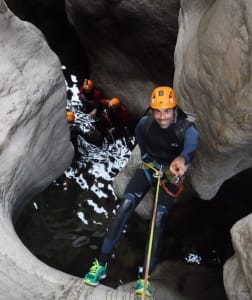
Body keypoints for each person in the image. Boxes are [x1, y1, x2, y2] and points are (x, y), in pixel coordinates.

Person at [82, 86, 200, 297]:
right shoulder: (144, 125)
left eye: (166, 111)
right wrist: (152, 165)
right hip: (149, 168)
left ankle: (144, 278)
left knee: (159, 219)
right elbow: (145, 149)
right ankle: (100, 264)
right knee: (125, 206)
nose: (162, 117)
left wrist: (181, 160)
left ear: (174, 110)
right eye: (157, 111)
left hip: (171, 175)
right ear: (152, 111)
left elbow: (190, 148)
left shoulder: (186, 129)